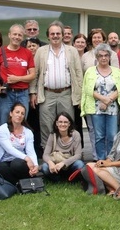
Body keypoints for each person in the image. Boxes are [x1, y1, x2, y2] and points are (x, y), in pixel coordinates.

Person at [30, 21, 83, 151]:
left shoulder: (72, 51)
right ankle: (48, 153)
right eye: (52, 33)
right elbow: (35, 74)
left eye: (58, 33)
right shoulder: (41, 51)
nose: (55, 36)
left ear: (62, 35)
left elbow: (78, 74)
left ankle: (66, 152)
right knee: (46, 124)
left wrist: (80, 95)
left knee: (66, 124)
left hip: (66, 94)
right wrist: (33, 92)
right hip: (47, 94)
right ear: (48, 36)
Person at [81, 44, 120, 160]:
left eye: (106, 55)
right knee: (99, 136)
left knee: (112, 135)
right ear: (97, 57)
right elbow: (87, 88)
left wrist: (107, 101)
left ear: (110, 57)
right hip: (96, 108)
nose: (103, 58)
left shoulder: (117, 71)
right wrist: (102, 99)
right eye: (100, 56)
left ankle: (110, 160)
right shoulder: (90, 71)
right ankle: (100, 159)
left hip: (113, 108)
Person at [0, 24, 35, 126]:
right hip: (6, 94)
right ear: (9, 35)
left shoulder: (27, 53)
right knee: (3, 123)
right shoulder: (0, 51)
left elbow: (33, 75)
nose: (17, 37)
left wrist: (17, 79)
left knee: (21, 123)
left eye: (20, 35)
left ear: (22, 37)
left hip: (23, 94)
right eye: (14, 34)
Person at [0, 102, 39, 184]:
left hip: (20, 162)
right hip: (5, 161)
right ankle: (18, 184)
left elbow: (31, 151)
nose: (19, 115)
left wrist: (35, 165)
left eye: (22, 113)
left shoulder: (28, 132)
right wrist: (27, 158)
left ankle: (23, 182)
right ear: (11, 113)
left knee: (16, 164)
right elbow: (9, 149)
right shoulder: (2, 129)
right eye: (17, 112)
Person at [41, 112, 85, 181]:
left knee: (80, 164)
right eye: (60, 122)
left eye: (65, 122)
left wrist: (63, 163)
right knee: (44, 167)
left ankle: (69, 178)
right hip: (55, 166)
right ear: (56, 123)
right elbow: (45, 154)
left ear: (69, 124)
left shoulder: (76, 134)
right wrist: (50, 163)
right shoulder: (53, 135)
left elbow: (78, 155)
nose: (63, 124)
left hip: (70, 165)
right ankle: (59, 179)